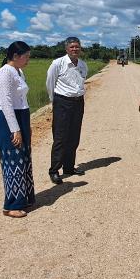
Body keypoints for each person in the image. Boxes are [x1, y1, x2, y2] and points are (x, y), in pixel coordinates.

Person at [0, 41, 35, 218]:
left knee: (24, 158)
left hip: (22, 116)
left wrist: (26, 125)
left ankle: (24, 198)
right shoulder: (4, 73)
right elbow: (6, 104)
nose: (28, 60)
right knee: (13, 161)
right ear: (16, 56)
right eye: (26, 57)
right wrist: (15, 130)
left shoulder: (19, 72)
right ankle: (11, 205)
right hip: (8, 120)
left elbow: (22, 100)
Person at [46, 37, 88, 184]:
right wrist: (54, 101)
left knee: (74, 136)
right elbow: (50, 83)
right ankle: (54, 170)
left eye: (77, 47)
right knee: (60, 137)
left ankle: (69, 167)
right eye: (72, 47)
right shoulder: (58, 63)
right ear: (66, 49)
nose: (75, 49)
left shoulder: (83, 65)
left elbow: (82, 82)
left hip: (78, 102)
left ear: (80, 48)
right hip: (62, 102)